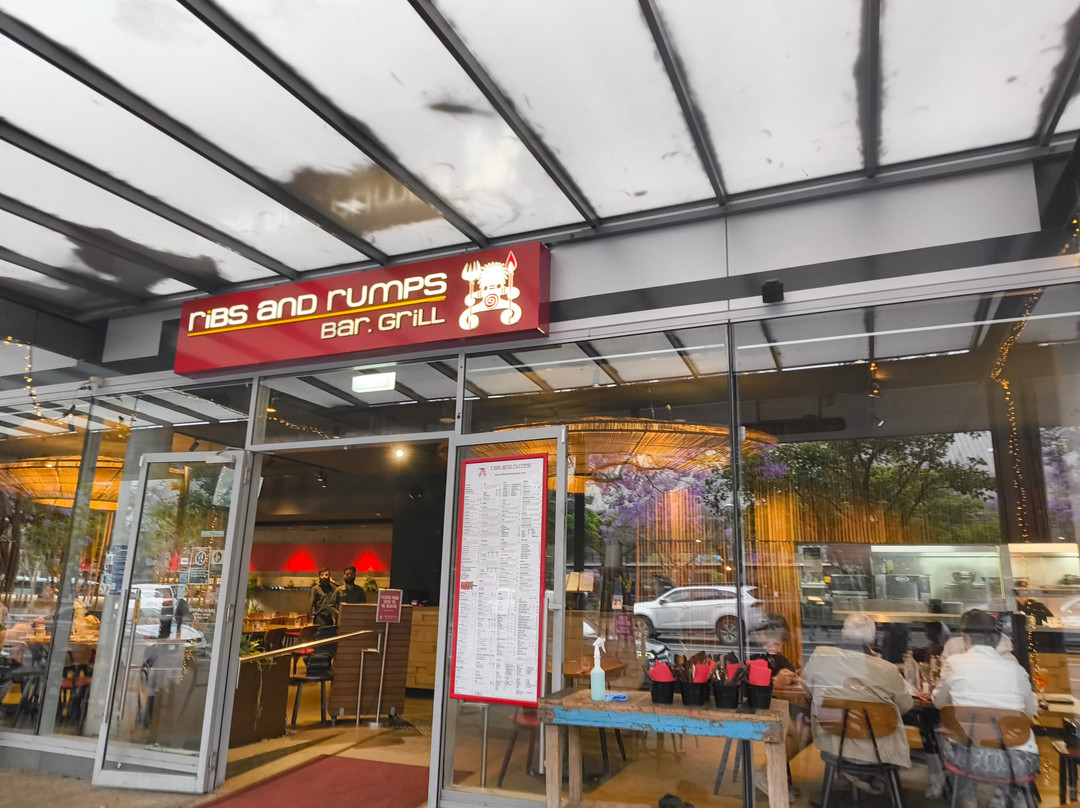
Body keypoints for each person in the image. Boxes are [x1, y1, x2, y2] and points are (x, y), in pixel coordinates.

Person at [932, 609, 1039, 808]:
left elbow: (939, 703)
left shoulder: (954, 663)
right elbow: (1031, 710)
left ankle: (969, 803)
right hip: (1015, 761)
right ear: (995, 639)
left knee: (958, 744)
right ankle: (1015, 801)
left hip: (968, 758)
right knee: (1014, 757)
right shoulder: (1017, 670)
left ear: (965, 638)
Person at [803, 613, 913, 775]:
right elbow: (906, 706)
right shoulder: (888, 669)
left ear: (843, 633)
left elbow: (808, 690)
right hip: (879, 750)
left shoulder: (821, 656)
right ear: (873, 639)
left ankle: (857, 779)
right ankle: (871, 780)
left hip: (835, 744)